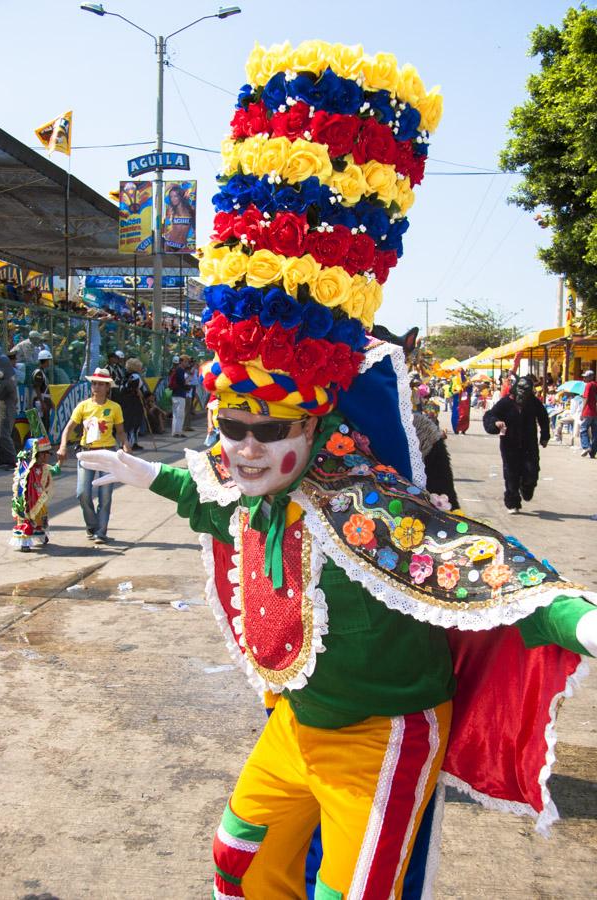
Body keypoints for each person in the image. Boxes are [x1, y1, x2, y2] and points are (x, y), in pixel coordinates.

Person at [77, 40, 597, 900]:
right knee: (238, 866)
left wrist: (576, 618)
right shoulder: (247, 490)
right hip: (294, 728)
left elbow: (485, 567)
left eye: (262, 428)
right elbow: (200, 491)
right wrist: (138, 469)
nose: (240, 447)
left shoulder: (365, 506)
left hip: (380, 739)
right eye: (228, 424)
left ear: (312, 423)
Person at [57, 367, 131, 544]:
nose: (97, 387)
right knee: (82, 492)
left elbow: (120, 431)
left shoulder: (115, 408)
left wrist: (126, 445)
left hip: (107, 453)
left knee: (105, 495)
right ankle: (92, 525)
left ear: (108, 387)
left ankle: (100, 531)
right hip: (86, 453)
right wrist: (62, 447)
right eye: (94, 383)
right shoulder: (83, 406)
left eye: (101, 384)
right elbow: (68, 429)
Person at [483, 375, 550, 513]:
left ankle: (526, 487)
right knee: (511, 475)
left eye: (526, 389)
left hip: (529, 444)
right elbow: (489, 415)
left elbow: (544, 418)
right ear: (515, 388)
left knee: (532, 473)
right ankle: (513, 503)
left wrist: (545, 436)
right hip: (509, 445)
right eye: (520, 388)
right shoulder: (505, 402)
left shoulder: (533, 402)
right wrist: (495, 423)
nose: (522, 392)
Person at [11, 417, 61, 551]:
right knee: (26, 519)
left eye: (47, 454)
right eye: (44, 454)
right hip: (27, 501)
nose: (47, 457)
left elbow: (55, 471)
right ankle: (25, 542)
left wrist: (60, 462)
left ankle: (40, 534)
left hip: (40, 500)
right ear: (35, 455)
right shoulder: (25, 470)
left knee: (40, 519)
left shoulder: (44, 468)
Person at [0, 341, 18, 469]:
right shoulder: (7, 378)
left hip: (6, 406)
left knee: (3, 433)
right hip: (3, 405)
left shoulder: (6, 381)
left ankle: (12, 460)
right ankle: (2, 458)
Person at [31, 349, 54, 434]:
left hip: (44, 401)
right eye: (48, 361)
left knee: (46, 423)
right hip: (40, 402)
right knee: (42, 423)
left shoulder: (42, 372)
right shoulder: (38, 373)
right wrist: (42, 403)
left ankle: (44, 443)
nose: (49, 363)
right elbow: (37, 388)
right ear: (45, 360)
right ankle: (41, 443)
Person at [170, 354, 190, 438]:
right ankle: (178, 432)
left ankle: (175, 431)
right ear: (181, 362)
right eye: (185, 361)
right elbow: (182, 382)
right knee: (180, 414)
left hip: (175, 393)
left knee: (176, 413)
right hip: (180, 394)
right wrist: (187, 381)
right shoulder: (180, 370)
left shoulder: (176, 370)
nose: (187, 363)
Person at [579, 368, 597, 458]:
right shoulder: (596, 385)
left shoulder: (588, 385)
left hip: (588, 411)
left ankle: (586, 446)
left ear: (591, 377)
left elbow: (586, 398)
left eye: (586, 377)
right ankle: (593, 452)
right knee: (595, 432)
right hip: (595, 412)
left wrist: (582, 412)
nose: (584, 379)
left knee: (583, 429)